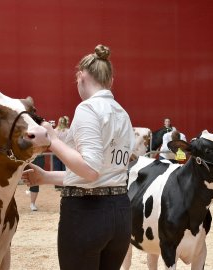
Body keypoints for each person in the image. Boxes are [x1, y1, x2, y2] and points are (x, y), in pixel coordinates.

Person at [22, 44, 136, 270]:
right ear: (111, 81)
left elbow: (90, 171)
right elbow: (99, 174)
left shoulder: (88, 108)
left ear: (81, 76)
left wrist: (51, 140)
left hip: (87, 215)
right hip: (120, 214)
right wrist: (45, 177)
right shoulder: (122, 114)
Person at [53, 116, 69, 189]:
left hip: (56, 152)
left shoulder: (54, 131)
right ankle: (64, 184)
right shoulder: (68, 131)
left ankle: (57, 185)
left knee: (56, 168)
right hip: (65, 152)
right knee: (65, 169)